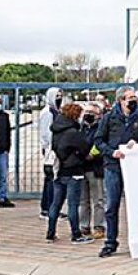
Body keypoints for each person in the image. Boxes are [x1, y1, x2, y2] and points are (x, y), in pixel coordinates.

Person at [95, 86, 138, 257]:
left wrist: (137, 143)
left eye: (134, 97)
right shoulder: (109, 117)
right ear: (121, 100)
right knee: (112, 205)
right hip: (113, 166)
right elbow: (98, 140)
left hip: (135, 167)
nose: (133, 101)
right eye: (129, 98)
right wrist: (111, 152)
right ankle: (110, 242)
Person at [47, 103, 95, 244]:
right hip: (74, 170)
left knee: (56, 203)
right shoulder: (73, 132)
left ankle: (50, 233)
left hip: (59, 170)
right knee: (73, 204)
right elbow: (85, 148)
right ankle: (76, 234)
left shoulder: (56, 129)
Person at [78, 102, 106, 240]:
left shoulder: (102, 128)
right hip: (81, 167)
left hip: (96, 168)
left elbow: (101, 145)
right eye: (87, 112)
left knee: (98, 200)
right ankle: (84, 226)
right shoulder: (80, 128)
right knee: (83, 200)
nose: (88, 115)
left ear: (99, 115)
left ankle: (99, 226)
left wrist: (93, 154)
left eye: (92, 113)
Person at [37, 87, 63, 220]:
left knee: (51, 179)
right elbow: (47, 134)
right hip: (51, 150)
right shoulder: (48, 113)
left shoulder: (56, 111)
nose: (59, 98)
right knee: (51, 179)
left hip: (54, 148)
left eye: (60, 96)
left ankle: (50, 207)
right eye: (57, 96)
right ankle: (48, 208)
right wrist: (51, 148)